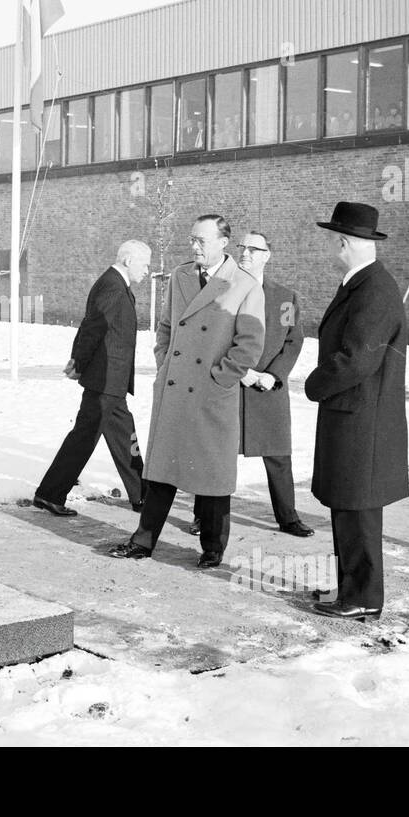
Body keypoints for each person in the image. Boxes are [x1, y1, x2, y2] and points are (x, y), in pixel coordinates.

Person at [109, 214, 265, 568]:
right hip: (176, 389)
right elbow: (165, 327)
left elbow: (249, 345)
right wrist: (166, 364)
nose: (194, 246)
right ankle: (143, 541)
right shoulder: (180, 275)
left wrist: (220, 378)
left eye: (201, 241)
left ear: (224, 242)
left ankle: (213, 548)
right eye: (192, 239)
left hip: (212, 392)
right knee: (162, 471)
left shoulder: (243, 284)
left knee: (211, 475)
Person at [303, 201, 409, 620]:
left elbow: (357, 357)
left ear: (346, 242)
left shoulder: (373, 290)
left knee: (358, 511)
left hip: (362, 421)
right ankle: (352, 589)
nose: (335, 248)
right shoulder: (365, 284)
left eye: (337, 240)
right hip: (355, 416)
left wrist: (316, 383)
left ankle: (363, 597)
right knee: (347, 507)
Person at [33, 240, 150, 517]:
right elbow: (94, 327)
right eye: (145, 264)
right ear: (129, 260)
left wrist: (80, 361)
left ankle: (143, 496)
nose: (148, 271)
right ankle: (49, 494)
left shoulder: (114, 283)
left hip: (111, 379)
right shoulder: (112, 285)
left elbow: (93, 326)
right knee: (85, 437)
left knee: (122, 435)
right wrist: (79, 363)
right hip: (106, 378)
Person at [234, 232, 314, 537]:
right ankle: (206, 515)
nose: (246, 253)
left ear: (268, 255)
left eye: (255, 249)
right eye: (242, 247)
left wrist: (273, 375)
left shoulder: (284, 297)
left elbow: (293, 340)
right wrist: (241, 372)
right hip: (231, 385)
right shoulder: (222, 291)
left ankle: (288, 517)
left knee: (279, 455)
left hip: (269, 388)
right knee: (218, 453)